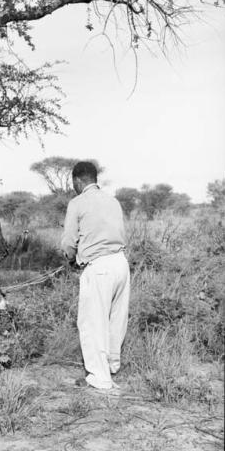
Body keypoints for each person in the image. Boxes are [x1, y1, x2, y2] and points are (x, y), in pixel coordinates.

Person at [60, 161, 130, 390]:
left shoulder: (77, 203)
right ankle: (111, 366)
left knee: (92, 322)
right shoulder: (113, 201)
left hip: (98, 267)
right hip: (121, 263)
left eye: (73, 183)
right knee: (115, 319)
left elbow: (69, 242)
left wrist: (70, 259)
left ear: (77, 181)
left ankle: (100, 378)